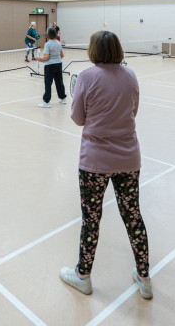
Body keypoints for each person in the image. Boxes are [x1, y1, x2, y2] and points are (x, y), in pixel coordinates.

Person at [60, 30, 152, 299]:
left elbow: (78, 119)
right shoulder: (131, 75)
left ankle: (83, 276)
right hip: (128, 159)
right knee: (133, 217)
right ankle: (144, 278)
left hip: (94, 163)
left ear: (93, 51)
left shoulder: (87, 76)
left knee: (91, 220)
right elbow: (133, 111)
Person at [37, 27, 66, 107]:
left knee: (48, 83)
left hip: (50, 66)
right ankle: (63, 98)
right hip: (59, 64)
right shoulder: (59, 43)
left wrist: (39, 59)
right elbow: (62, 55)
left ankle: (46, 102)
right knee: (59, 82)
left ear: (48, 35)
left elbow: (46, 57)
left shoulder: (47, 44)